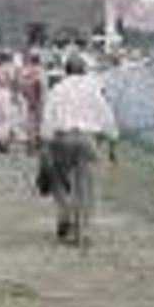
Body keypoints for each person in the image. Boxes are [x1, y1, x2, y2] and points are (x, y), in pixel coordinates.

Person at [37, 54, 118, 247]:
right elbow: (106, 116)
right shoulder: (93, 89)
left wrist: (45, 142)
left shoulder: (57, 89)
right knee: (85, 187)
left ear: (66, 70)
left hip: (62, 139)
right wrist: (113, 141)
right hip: (87, 140)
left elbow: (48, 119)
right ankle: (82, 232)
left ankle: (65, 214)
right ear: (84, 70)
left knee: (59, 181)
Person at [18, 51, 46, 154]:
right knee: (37, 123)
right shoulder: (39, 71)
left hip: (27, 99)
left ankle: (31, 145)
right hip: (36, 99)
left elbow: (21, 85)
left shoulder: (25, 71)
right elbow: (39, 85)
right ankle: (34, 145)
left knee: (30, 123)